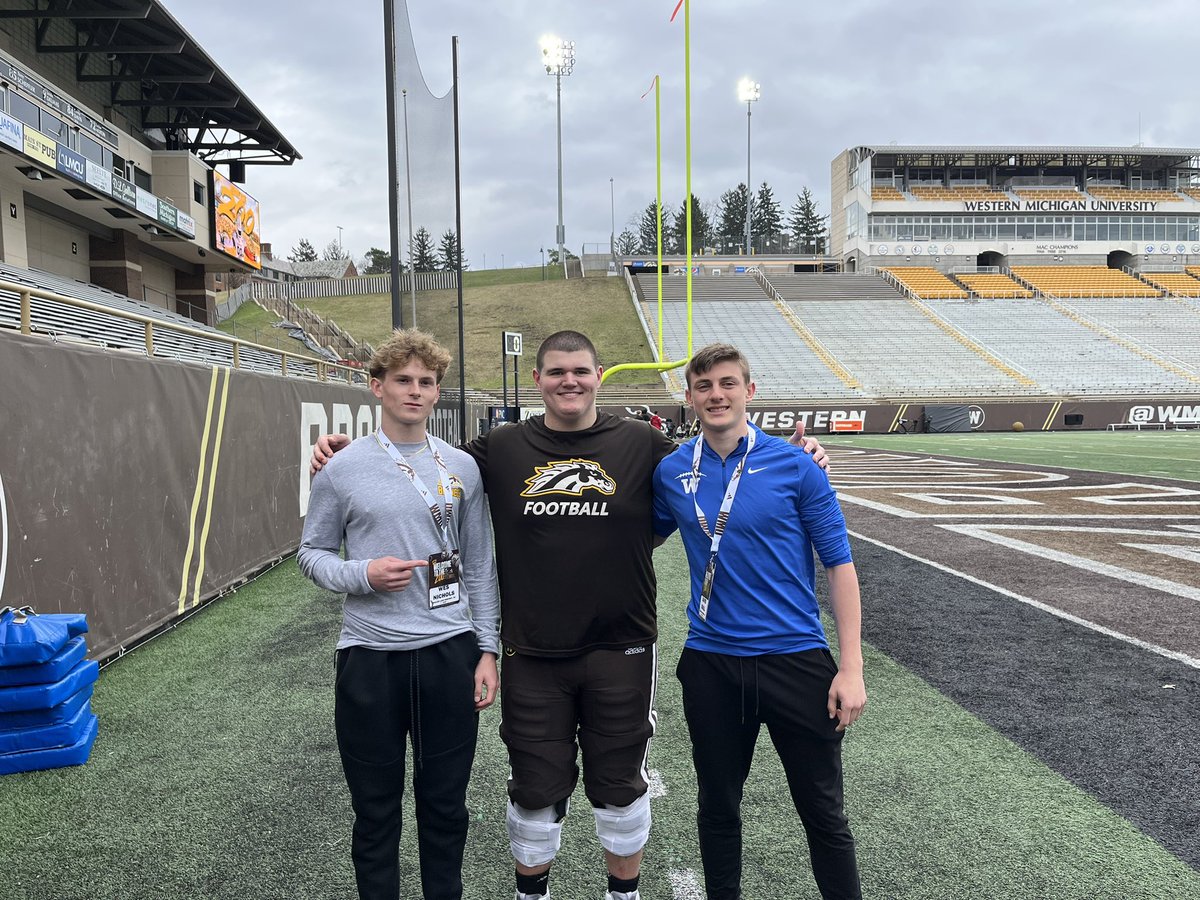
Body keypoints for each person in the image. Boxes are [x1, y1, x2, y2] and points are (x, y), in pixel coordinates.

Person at [312, 331, 830, 900]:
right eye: (556, 372)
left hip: (622, 644)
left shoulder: (641, 443)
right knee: (534, 791)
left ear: (599, 375)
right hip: (532, 650)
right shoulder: (499, 448)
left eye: (580, 371)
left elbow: (722, 453)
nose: (569, 382)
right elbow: (417, 452)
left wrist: (795, 450)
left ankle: (622, 895)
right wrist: (342, 451)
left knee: (618, 786)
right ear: (537, 381)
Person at [651, 342, 866, 900]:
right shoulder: (673, 472)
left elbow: (840, 566)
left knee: (823, 813)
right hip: (712, 663)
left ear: (750, 391)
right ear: (690, 397)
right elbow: (633, 541)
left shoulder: (797, 464)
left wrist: (851, 668)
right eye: (704, 386)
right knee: (717, 808)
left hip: (796, 661)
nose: (716, 395)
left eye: (727, 383)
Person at [298, 329, 500, 900]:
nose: (415, 392)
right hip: (370, 658)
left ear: (438, 393)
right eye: (403, 381)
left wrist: (487, 650)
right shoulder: (342, 468)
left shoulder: (463, 465)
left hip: (449, 653)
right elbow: (310, 554)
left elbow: (481, 565)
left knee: (445, 807)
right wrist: (362, 574)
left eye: (427, 383)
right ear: (377, 387)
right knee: (375, 811)